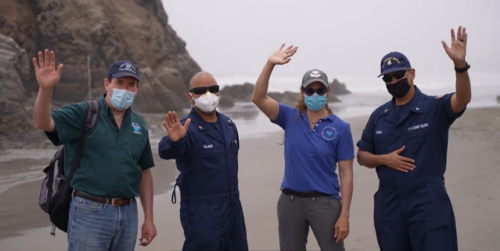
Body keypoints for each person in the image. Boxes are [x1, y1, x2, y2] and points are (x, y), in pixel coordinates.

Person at [356, 26, 471, 251]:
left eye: (399, 74)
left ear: (412, 73)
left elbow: (463, 99)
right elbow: (362, 156)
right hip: (389, 206)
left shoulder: (433, 107)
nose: (394, 80)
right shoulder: (379, 116)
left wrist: (460, 65)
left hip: (428, 203)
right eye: (388, 78)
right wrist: (384, 159)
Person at [32, 49, 157, 251]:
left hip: (128, 213)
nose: (125, 89)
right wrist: (45, 89)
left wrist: (149, 219)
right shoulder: (84, 113)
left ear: (137, 89)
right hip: (89, 211)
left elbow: (144, 172)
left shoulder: (139, 124)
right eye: (120, 83)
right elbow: (42, 122)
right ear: (107, 84)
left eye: (131, 85)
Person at [251, 44, 355, 251]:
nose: (315, 94)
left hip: (325, 203)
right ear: (302, 92)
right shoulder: (289, 117)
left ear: (327, 92)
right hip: (290, 202)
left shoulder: (341, 128)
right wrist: (270, 64)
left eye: (320, 90)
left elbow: (346, 174)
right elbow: (258, 98)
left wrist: (344, 215)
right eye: (310, 90)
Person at [158, 71, 248, 251]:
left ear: (219, 93)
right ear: (190, 97)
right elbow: (166, 151)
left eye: (213, 89)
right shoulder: (186, 128)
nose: (208, 95)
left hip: (232, 207)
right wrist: (174, 140)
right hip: (202, 212)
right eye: (200, 90)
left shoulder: (229, 125)